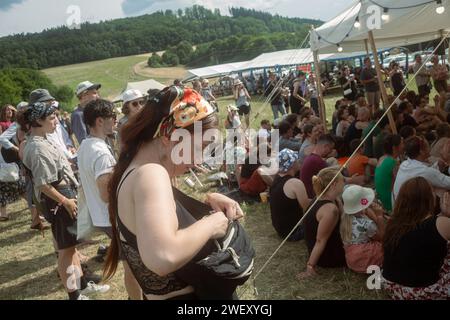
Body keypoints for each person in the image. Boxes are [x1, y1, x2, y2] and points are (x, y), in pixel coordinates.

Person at [103, 87, 245, 300]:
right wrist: (211, 223)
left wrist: (202, 205)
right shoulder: (151, 174)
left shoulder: (135, 169)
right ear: (170, 136)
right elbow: (163, 256)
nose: (198, 160)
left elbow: (160, 222)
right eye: (201, 146)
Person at [19, 102, 109, 300]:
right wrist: (66, 201)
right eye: (51, 118)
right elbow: (43, 184)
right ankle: (74, 294)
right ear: (37, 121)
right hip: (59, 201)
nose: (56, 121)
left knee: (71, 247)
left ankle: (82, 285)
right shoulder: (37, 148)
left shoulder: (43, 140)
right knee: (66, 251)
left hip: (63, 196)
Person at [77, 99, 141, 299]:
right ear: (99, 121)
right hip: (113, 217)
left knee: (131, 265)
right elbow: (106, 194)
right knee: (134, 267)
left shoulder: (86, 145)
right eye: (111, 117)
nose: (115, 120)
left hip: (104, 217)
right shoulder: (100, 152)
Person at [382, 177, 450, 300]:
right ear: (429, 198)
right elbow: (434, 228)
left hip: (391, 285)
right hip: (421, 291)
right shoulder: (441, 223)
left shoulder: (393, 221)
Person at [298, 166, 347, 279]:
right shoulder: (330, 210)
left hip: (325, 247)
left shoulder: (321, 196)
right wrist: (310, 267)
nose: (344, 182)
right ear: (334, 184)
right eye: (342, 180)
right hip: (329, 256)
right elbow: (320, 240)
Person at [340, 185, 385, 273]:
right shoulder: (366, 224)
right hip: (366, 260)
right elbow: (382, 237)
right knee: (388, 246)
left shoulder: (344, 217)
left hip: (352, 260)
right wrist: (379, 216)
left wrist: (367, 210)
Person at [269, 149, 310, 241]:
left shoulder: (277, 179)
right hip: (294, 232)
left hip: (281, 230)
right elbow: (308, 208)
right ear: (291, 164)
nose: (299, 161)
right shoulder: (295, 183)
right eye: (296, 160)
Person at [393, 136, 450, 200]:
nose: (430, 148)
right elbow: (448, 183)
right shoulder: (424, 171)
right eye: (427, 146)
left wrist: (437, 165)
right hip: (411, 208)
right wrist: (448, 160)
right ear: (421, 152)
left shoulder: (404, 164)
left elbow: (426, 173)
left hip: (399, 206)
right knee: (442, 191)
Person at [300, 134, 336, 198]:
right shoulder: (318, 161)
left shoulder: (311, 157)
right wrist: (351, 180)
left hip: (310, 195)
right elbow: (334, 179)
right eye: (331, 148)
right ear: (326, 146)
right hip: (315, 198)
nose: (331, 151)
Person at [375, 134, 403, 213]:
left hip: (382, 199)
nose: (404, 145)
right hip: (390, 203)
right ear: (394, 147)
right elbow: (399, 185)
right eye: (402, 143)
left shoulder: (382, 158)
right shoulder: (394, 163)